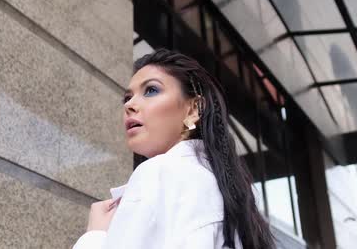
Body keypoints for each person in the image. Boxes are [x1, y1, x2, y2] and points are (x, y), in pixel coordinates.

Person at [72, 49, 275, 249]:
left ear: (194, 109)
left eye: (151, 90)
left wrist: (95, 235)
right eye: (127, 98)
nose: (130, 105)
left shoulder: (159, 173)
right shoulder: (222, 190)